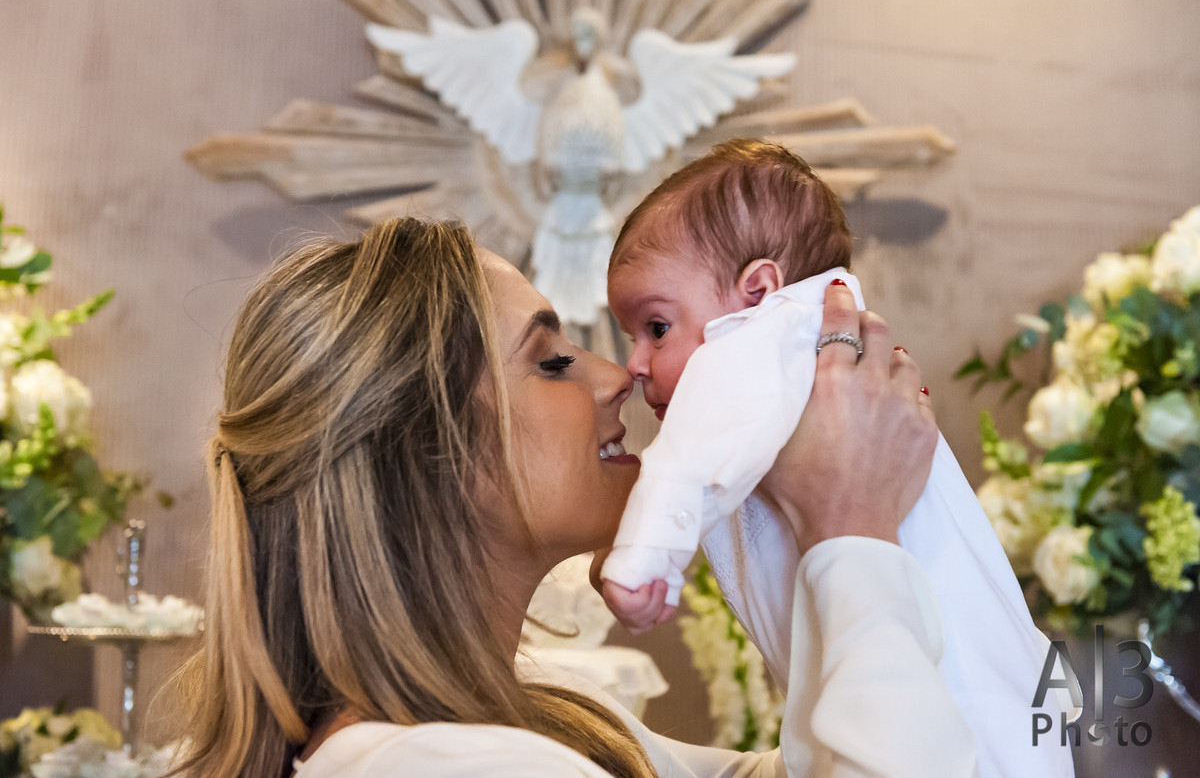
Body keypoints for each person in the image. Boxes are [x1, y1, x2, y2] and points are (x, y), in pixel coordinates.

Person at [171, 216, 978, 777]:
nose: (619, 374)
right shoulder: (430, 768)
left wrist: (800, 495)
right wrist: (852, 526)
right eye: (551, 361)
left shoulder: (558, 722)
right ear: (423, 453)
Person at [597, 139, 1073, 778]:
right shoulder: (816, 355)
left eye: (656, 328)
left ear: (759, 290)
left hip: (936, 715)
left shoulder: (758, 338)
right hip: (979, 708)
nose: (634, 363)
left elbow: (684, 463)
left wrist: (641, 558)